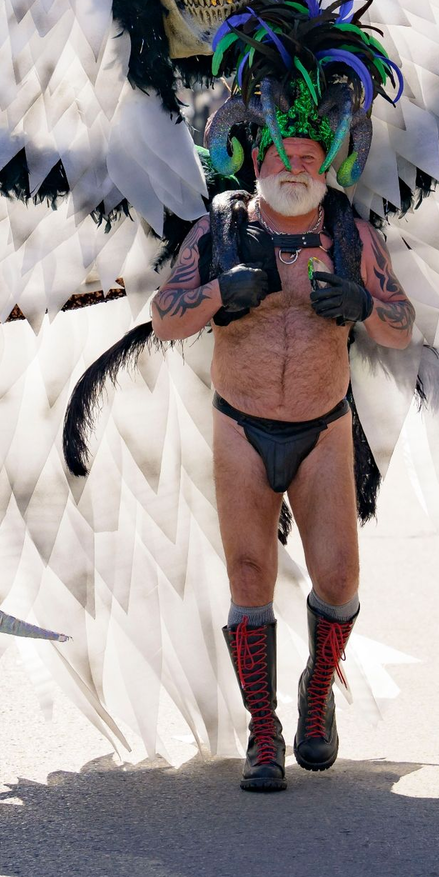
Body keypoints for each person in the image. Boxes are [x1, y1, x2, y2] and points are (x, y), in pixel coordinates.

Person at [151, 129, 414, 791]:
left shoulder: (352, 235)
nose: (295, 167)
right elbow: (164, 317)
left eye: (308, 156)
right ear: (255, 158)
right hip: (240, 424)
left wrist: (365, 305)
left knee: (338, 577)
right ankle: (262, 729)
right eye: (281, 154)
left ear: (328, 163)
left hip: (323, 428)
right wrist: (220, 292)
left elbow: (401, 322)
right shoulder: (220, 230)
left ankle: (317, 688)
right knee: (247, 575)